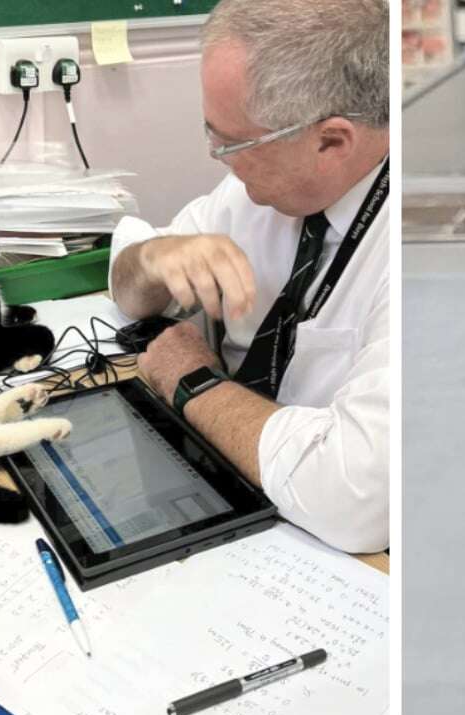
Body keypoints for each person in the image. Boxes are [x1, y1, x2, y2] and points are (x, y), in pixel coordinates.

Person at [108, 0, 389, 554]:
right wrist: (153, 260)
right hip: (235, 485)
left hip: (328, 545)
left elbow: (357, 498)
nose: (216, 157)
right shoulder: (259, 192)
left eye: (231, 143)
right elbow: (129, 288)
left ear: (332, 141)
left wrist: (193, 383)